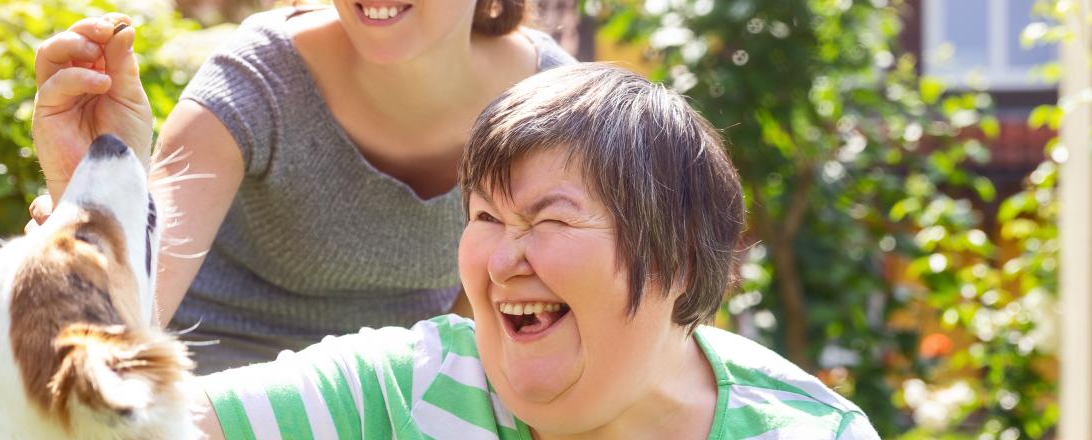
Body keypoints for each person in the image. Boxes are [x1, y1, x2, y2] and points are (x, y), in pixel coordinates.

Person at [190, 63, 881, 439]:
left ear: (682, 262)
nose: (500, 260)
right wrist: (92, 194)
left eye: (550, 220)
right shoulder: (404, 390)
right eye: (486, 216)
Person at [29, 1, 576, 372]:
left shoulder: (552, 104)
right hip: (204, 377)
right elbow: (125, 322)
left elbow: (481, 342)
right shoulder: (258, 76)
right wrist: (97, 188)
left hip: (392, 385)